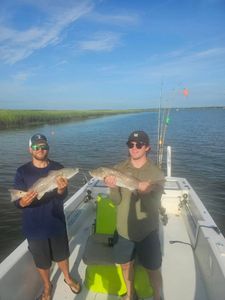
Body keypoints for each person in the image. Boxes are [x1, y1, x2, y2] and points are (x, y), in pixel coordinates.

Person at [13, 133, 81, 300]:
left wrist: (60, 189)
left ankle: (67, 277)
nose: (41, 149)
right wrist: (23, 202)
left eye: (44, 146)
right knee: (42, 262)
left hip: (56, 222)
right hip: (34, 226)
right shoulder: (22, 171)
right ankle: (47, 286)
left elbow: (63, 195)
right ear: (30, 149)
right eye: (37, 146)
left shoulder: (58, 168)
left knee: (62, 255)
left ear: (48, 148)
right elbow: (17, 203)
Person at [104, 130, 164, 300]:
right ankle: (130, 295)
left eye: (139, 145)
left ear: (147, 148)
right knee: (125, 265)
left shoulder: (156, 174)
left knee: (153, 269)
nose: (134, 147)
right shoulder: (117, 169)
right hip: (123, 229)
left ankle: (158, 296)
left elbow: (154, 206)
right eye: (131, 144)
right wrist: (113, 187)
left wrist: (146, 192)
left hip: (148, 230)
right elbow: (116, 202)